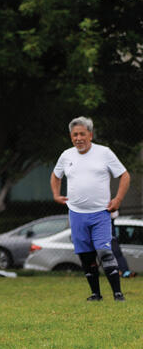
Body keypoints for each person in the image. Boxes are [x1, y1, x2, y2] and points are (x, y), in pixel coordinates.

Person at [51, 116, 130, 302]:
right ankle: (96, 294)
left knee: (104, 252)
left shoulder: (104, 153)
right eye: (74, 135)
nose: (78, 138)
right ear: (71, 137)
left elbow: (125, 176)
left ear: (90, 135)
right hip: (76, 214)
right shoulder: (66, 155)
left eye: (82, 134)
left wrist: (117, 199)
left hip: (101, 213)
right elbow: (55, 176)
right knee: (86, 256)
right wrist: (55, 194)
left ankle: (118, 294)